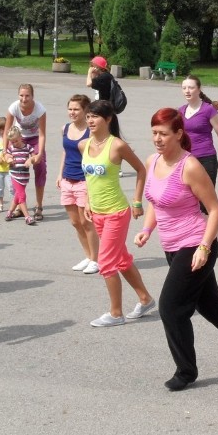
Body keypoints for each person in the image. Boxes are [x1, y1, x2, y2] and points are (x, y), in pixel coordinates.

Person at [135, 108, 218, 391]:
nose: (157, 139)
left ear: (178, 134)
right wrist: (147, 229)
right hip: (172, 246)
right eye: (154, 133)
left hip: (196, 244)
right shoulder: (152, 161)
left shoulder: (190, 166)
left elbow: (215, 210)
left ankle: (185, 371)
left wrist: (205, 248)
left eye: (163, 134)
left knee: (170, 309)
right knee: (211, 305)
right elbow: (155, 202)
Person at [79, 100, 155, 328]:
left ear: (108, 119)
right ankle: (145, 299)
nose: (90, 120)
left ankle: (116, 313)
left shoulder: (117, 145)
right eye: (88, 116)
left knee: (107, 262)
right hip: (97, 212)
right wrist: (87, 202)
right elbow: (88, 177)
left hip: (116, 212)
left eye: (95, 117)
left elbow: (142, 169)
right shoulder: (84, 145)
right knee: (121, 259)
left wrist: (137, 201)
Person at [179, 75, 218, 255]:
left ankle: (217, 242)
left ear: (198, 89)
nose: (187, 91)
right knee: (191, 203)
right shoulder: (180, 111)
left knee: (205, 204)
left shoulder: (208, 110)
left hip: (206, 159)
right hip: (187, 161)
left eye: (191, 87)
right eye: (184, 88)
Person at [57, 95, 100, 274]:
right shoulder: (65, 128)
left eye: (76, 109)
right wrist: (60, 174)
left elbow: (95, 158)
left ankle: (96, 260)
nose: (72, 112)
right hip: (67, 180)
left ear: (85, 111)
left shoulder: (90, 132)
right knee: (75, 222)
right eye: (70, 109)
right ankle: (88, 256)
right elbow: (65, 153)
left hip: (84, 181)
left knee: (86, 222)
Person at [3, 84, 46, 221]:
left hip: (34, 139)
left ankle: (38, 206)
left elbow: (42, 134)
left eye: (27, 95)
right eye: (21, 95)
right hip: (18, 139)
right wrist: (5, 151)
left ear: (33, 96)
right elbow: (6, 130)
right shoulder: (14, 107)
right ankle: (19, 208)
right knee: (16, 168)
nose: (24, 98)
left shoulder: (40, 109)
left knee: (40, 167)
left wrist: (38, 154)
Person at [3, 126, 35, 224]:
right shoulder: (11, 148)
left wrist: (30, 160)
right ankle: (27, 217)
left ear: (21, 137)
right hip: (15, 175)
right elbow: (6, 156)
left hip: (24, 176)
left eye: (16, 141)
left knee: (17, 195)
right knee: (22, 196)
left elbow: (34, 157)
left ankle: (9, 212)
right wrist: (9, 160)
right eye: (12, 142)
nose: (14, 143)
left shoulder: (28, 147)